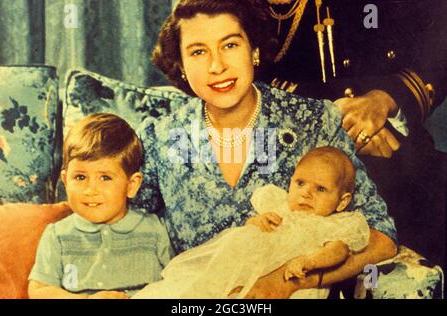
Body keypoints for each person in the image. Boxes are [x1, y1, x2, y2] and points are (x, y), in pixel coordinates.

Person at [132, 0, 397, 298]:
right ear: (180, 64)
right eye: (198, 51)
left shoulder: (312, 123)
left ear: (254, 50)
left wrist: (284, 284)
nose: (217, 66)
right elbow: (122, 223)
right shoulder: (160, 137)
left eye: (230, 45)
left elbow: (381, 237)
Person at [262, 0, 446, 268]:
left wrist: (386, 98)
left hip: (392, 142)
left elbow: (438, 41)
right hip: (289, 155)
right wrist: (333, 118)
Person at [133, 147, 370, 299]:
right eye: (300, 183)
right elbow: (252, 233)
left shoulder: (333, 225)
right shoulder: (280, 206)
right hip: (246, 267)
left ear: (342, 201)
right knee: (201, 285)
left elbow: (338, 252)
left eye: (320, 189)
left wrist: (308, 261)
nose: (306, 194)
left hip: (291, 280)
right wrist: (259, 221)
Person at [28, 113, 171, 299]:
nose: (90, 190)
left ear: (131, 185)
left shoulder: (153, 229)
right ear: (65, 181)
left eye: (105, 177)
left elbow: (176, 280)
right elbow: (38, 290)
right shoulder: (58, 235)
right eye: (80, 177)